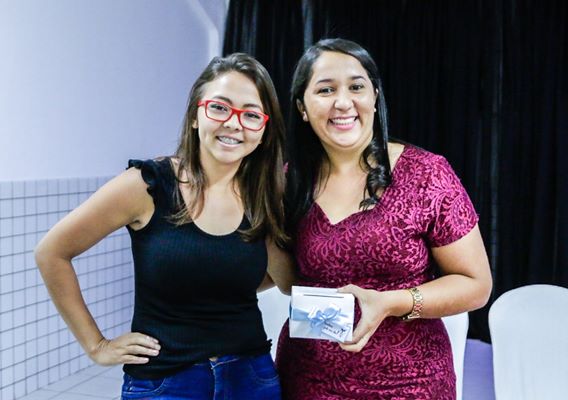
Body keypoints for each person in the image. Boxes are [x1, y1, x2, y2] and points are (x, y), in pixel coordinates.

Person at [35, 53, 294, 399]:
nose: (234, 123)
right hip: (165, 382)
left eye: (251, 115)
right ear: (195, 116)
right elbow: (52, 252)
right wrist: (96, 345)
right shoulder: (148, 184)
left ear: (263, 132)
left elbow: (284, 281)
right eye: (219, 107)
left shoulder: (264, 196)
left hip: (250, 378)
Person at [276, 38, 492, 399]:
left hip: (411, 383)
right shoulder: (288, 183)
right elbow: (288, 283)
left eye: (356, 87)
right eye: (326, 90)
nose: (343, 102)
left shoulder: (426, 173)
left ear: (374, 97)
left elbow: (476, 284)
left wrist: (392, 302)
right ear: (302, 107)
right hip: (308, 380)